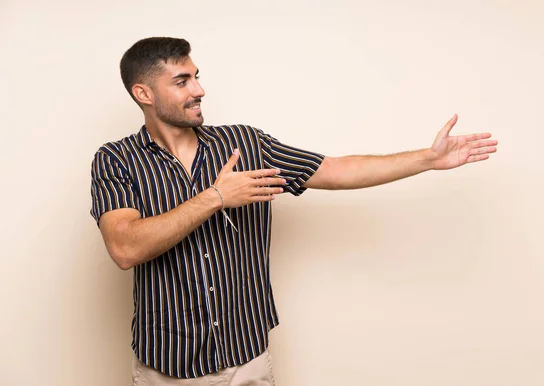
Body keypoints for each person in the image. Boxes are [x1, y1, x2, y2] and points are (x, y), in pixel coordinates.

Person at [90, 36, 497, 386]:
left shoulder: (245, 143)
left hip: (245, 357)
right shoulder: (115, 160)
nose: (198, 89)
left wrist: (426, 158)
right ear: (144, 93)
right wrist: (215, 196)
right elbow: (125, 248)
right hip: (166, 364)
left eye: (197, 76)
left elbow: (335, 170)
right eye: (182, 81)